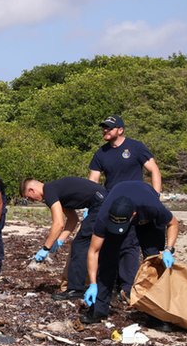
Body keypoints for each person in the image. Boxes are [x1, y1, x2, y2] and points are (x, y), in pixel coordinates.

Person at [88, 114, 163, 301]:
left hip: (140, 201)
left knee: (147, 246)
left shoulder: (136, 147)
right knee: (123, 244)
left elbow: (154, 170)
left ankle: (148, 286)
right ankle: (124, 286)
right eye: (104, 127)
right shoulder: (101, 153)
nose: (105, 130)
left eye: (109, 128)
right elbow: (93, 181)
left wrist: (156, 196)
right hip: (116, 206)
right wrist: (92, 205)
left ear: (120, 130)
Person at [83, 181, 178, 326]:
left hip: (147, 218)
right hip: (120, 199)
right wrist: (93, 283)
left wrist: (168, 249)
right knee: (107, 257)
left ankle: (156, 314)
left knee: (153, 261)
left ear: (133, 215)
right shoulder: (104, 216)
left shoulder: (152, 207)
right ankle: (100, 309)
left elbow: (173, 223)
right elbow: (93, 251)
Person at [20, 177, 107, 300]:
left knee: (80, 245)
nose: (32, 201)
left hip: (101, 203)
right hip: (102, 201)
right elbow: (72, 219)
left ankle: (75, 289)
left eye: (28, 197)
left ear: (32, 190)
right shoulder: (57, 190)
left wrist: (46, 247)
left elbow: (58, 223)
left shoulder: (49, 191)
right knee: (89, 244)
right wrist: (59, 241)